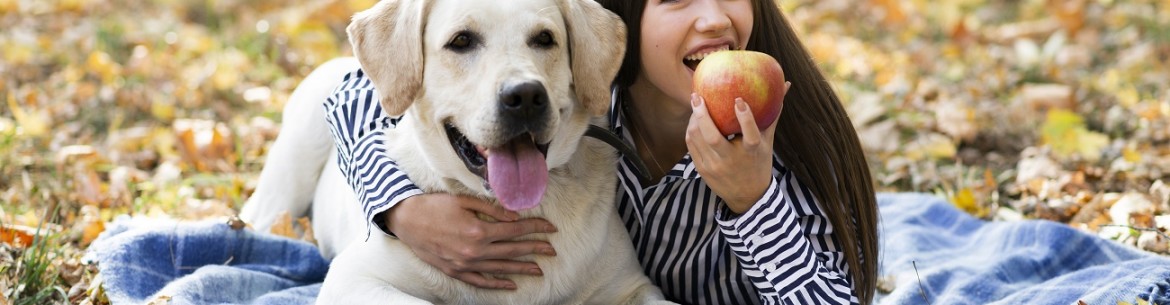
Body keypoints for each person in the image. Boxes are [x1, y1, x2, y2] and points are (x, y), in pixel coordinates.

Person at [323, 0, 879, 304]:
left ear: (581, 57)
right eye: (463, 44)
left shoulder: (786, 145)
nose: (712, 18)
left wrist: (754, 199)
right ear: (633, 21)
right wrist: (400, 207)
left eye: (543, 41)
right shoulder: (607, 107)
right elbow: (351, 88)